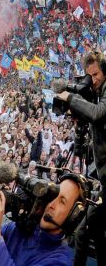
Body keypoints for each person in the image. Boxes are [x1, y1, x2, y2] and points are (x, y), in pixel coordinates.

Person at [0, 175, 87, 265]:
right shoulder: (19, 228)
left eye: (62, 202)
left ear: (73, 217)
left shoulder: (59, 260)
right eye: (54, 196)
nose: (52, 204)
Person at [56, 50, 106, 266]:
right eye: (90, 76)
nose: (94, 80)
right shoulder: (96, 91)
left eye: (96, 75)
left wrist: (72, 97)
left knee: (83, 232)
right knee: (96, 233)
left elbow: (97, 114)